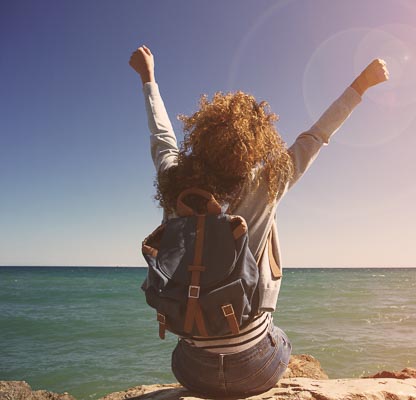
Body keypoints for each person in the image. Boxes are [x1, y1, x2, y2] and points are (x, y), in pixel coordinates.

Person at [129, 44, 389, 397]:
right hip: (254, 367)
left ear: (200, 138)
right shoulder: (268, 182)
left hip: (192, 370)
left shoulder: (175, 183)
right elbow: (315, 136)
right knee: (281, 338)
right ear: (255, 143)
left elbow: (162, 137)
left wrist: (148, 79)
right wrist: (361, 85)